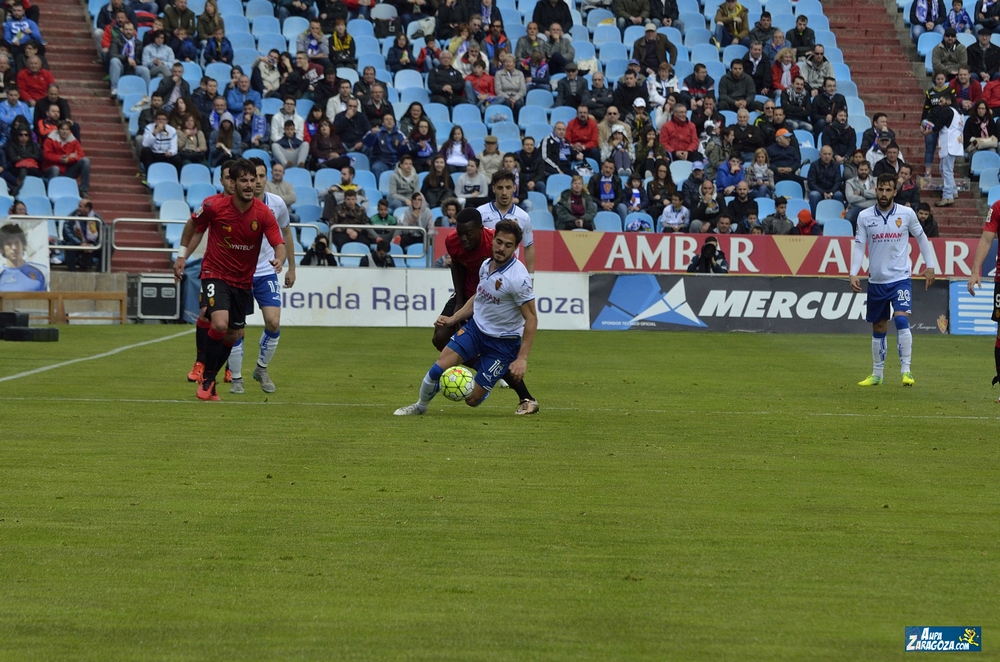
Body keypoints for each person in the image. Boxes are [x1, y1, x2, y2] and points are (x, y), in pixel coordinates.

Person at [395, 216, 538, 417]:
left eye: (508, 245)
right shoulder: (486, 265)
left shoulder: (518, 279)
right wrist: (453, 318)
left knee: (472, 400)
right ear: (493, 239)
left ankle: (489, 380)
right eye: (499, 242)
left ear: (515, 248)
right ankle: (420, 406)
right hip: (476, 330)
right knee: (438, 368)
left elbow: (531, 318)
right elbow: (479, 296)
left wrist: (522, 358)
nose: (501, 248)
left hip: (503, 343)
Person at [172, 159, 286, 401]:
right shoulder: (214, 206)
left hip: (243, 281)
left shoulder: (263, 213)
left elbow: (279, 244)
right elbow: (193, 223)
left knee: (233, 334)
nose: (250, 184)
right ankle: (206, 374)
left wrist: (280, 259)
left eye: (253, 180)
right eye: (244, 180)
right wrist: (181, 256)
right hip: (215, 273)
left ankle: (211, 378)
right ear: (232, 183)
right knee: (219, 324)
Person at [850, 174, 938, 387]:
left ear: (894, 192)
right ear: (876, 190)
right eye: (881, 189)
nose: (884, 194)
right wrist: (853, 272)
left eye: (888, 190)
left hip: (900, 278)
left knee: (900, 320)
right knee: (879, 326)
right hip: (877, 280)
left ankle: (906, 371)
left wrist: (930, 266)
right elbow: (859, 245)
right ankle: (877, 374)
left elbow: (921, 238)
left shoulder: (906, 214)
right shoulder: (864, 216)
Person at [222, 159, 296, 394]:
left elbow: (286, 234)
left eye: (262, 177)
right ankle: (236, 378)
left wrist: (290, 266)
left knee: (273, 322)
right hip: (239, 273)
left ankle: (261, 369)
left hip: (265, 271)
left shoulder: (276, 204)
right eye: (253, 178)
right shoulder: (232, 205)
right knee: (235, 327)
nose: (257, 182)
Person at [923, 88, 963, 206]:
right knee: (943, 168)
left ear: (948, 101)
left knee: (946, 170)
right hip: (955, 143)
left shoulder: (947, 111)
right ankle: (953, 191)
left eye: (941, 101)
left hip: (949, 143)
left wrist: (927, 131)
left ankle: (947, 196)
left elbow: (938, 126)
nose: (939, 104)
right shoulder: (958, 112)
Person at [42, 120, 90, 195]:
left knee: (85, 161)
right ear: (58, 130)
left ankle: (83, 190)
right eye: (62, 129)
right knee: (55, 169)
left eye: (67, 129)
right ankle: (53, 192)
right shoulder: (50, 139)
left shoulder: (74, 141)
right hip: (51, 168)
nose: (65, 132)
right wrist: (61, 158)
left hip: (67, 169)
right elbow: (47, 155)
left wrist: (69, 159)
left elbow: (80, 155)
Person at [62, 197, 103, 271]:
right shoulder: (72, 216)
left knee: (108, 246)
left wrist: (94, 245)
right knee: (69, 245)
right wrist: (80, 243)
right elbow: (66, 231)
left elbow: (105, 231)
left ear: (87, 209)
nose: (78, 208)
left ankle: (100, 272)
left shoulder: (96, 218)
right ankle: (72, 272)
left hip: (92, 247)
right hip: (78, 246)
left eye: (80, 206)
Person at [0, 221, 44, 290]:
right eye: (8, 244)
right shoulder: (1, 274)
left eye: (17, 242)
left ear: (23, 244)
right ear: (1, 248)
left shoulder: (40, 271)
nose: (14, 248)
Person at [807, 145, 846, 214]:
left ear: (832, 155)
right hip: (818, 191)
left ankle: (840, 217)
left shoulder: (836, 165)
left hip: (832, 191)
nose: (827, 156)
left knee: (839, 195)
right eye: (825, 154)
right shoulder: (814, 165)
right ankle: (813, 218)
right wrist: (823, 192)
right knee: (814, 195)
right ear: (820, 155)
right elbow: (811, 183)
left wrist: (831, 192)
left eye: (829, 154)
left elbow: (838, 182)